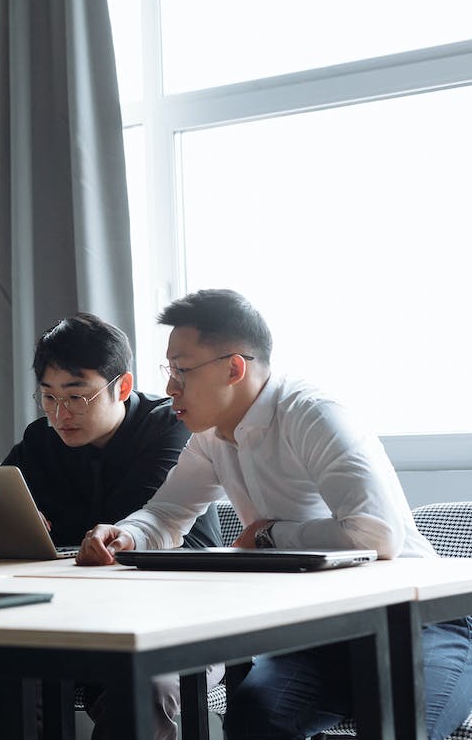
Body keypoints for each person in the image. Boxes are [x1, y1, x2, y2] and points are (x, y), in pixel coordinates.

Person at [77, 288, 472, 740]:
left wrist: (270, 536)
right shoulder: (210, 437)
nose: (169, 388)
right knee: (253, 720)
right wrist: (125, 535)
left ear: (233, 368)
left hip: (416, 624)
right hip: (319, 638)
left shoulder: (312, 414)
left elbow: (377, 535)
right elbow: (167, 514)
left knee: (401, 729)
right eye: (169, 371)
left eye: (182, 371)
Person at [1, 312, 222, 740]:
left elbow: (128, 526)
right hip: (78, 615)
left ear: (121, 386)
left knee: (144, 688)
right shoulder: (41, 441)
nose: (60, 414)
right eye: (48, 397)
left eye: (76, 396)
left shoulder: (171, 427)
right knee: (6, 679)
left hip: (182, 610)